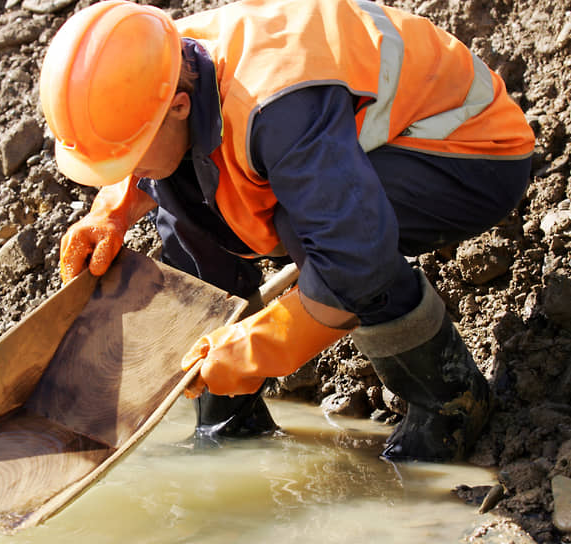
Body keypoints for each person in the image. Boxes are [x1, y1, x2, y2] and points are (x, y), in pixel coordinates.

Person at [39, 0, 534, 462]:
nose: (127, 170)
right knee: (178, 195)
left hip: (470, 152)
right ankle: (228, 417)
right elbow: (152, 146)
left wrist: (254, 349)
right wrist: (115, 210)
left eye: (126, 160)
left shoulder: (278, 103)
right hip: (351, 148)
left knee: (316, 232)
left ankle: (450, 401)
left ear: (180, 107)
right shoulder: (159, 62)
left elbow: (351, 260)